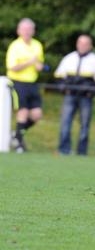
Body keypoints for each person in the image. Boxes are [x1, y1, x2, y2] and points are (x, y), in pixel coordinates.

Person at [54, 34, 95, 155]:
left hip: (86, 97)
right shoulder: (68, 58)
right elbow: (58, 78)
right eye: (80, 43)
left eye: (85, 44)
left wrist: (90, 93)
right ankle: (63, 150)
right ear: (77, 44)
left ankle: (81, 152)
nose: (82, 46)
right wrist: (64, 90)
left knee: (84, 125)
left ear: (90, 45)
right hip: (70, 95)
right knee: (65, 123)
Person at [5, 18, 45, 153]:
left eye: (29, 29)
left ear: (33, 31)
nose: (27, 32)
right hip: (17, 82)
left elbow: (39, 65)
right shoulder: (15, 46)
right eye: (24, 29)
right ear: (19, 31)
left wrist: (38, 64)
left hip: (32, 83)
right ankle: (19, 144)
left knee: (36, 114)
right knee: (23, 111)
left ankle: (16, 134)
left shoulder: (37, 45)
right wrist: (29, 62)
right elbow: (12, 67)